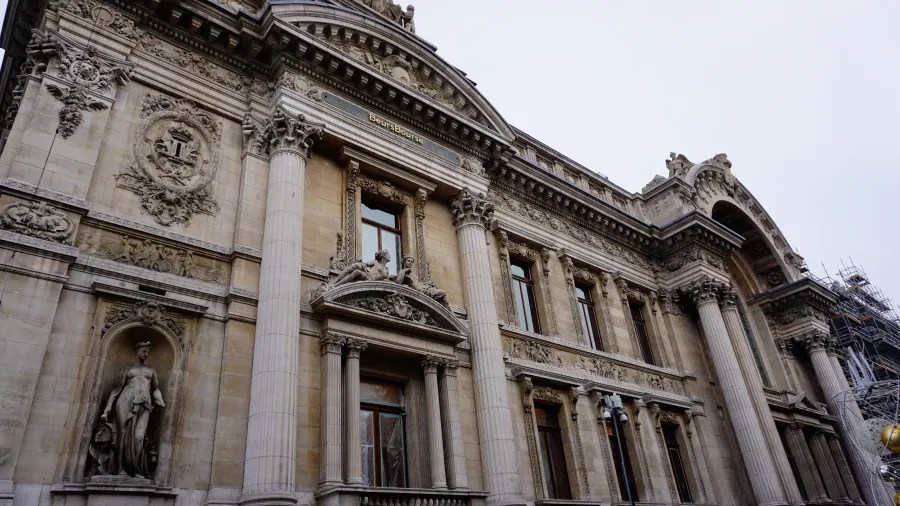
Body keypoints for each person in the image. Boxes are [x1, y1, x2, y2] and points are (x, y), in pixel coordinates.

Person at [100, 341, 166, 478]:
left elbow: (155, 389)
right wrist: (108, 407)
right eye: (144, 350)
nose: (146, 353)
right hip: (125, 400)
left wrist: (159, 399)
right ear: (137, 350)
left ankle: (135, 469)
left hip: (145, 403)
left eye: (148, 351)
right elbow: (117, 389)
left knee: (138, 437)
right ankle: (119, 469)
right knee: (122, 434)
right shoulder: (128, 369)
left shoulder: (151, 371)